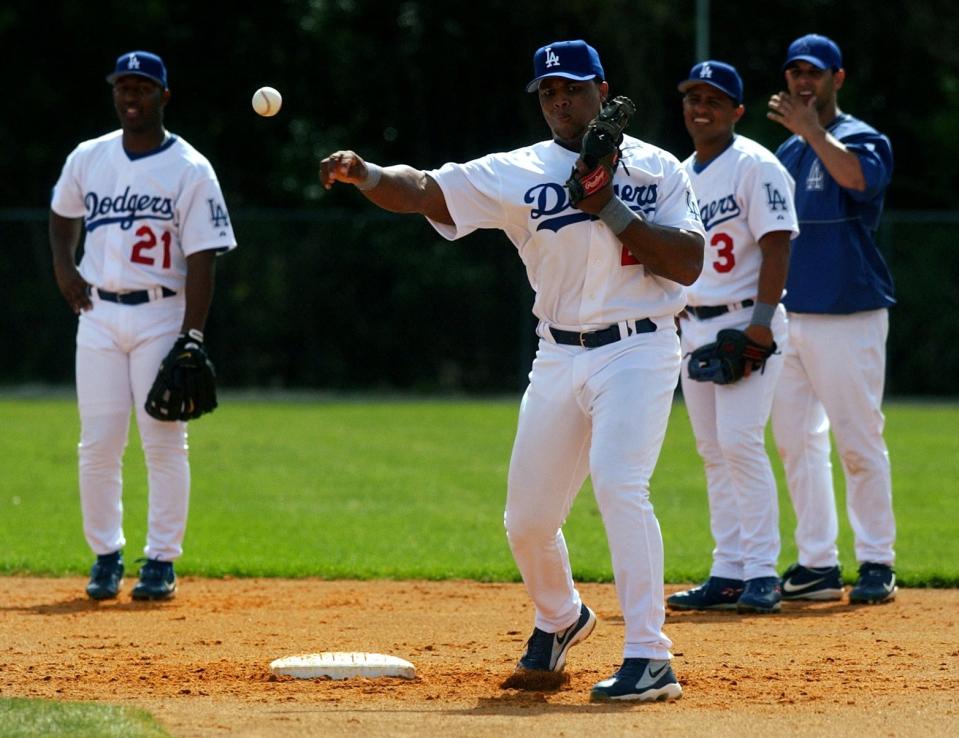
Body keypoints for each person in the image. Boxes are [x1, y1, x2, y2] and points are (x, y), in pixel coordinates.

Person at [320, 39, 704, 701]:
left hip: (639, 349)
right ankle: (560, 618)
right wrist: (366, 173)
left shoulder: (657, 168)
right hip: (556, 354)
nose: (560, 101)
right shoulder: (517, 170)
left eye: (573, 89)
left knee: (619, 484)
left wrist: (610, 206)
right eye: (549, 91)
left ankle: (650, 656)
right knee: (526, 520)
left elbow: (688, 263)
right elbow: (425, 191)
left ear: (600, 89)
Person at [50, 51, 237, 601]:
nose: (131, 97)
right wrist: (65, 268)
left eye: (143, 88)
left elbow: (204, 255)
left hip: (162, 312)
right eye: (123, 87)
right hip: (98, 314)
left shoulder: (190, 168)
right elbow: (62, 213)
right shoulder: (90, 156)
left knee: (163, 441)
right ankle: (105, 556)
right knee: (98, 444)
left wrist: (192, 334)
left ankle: (160, 560)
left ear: (164, 96)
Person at [767, 34, 896, 604]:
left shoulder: (859, 139)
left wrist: (813, 132)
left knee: (857, 441)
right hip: (789, 316)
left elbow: (860, 180)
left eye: (813, 73)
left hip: (849, 311)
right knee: (796, 443)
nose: (802, 82)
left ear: (836, 79)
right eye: (795, 72)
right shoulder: (785, 155)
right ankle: (817, 562)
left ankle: (877, 560)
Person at [668, 61, 798, 615]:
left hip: (747, 319)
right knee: (713, 451)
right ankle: (728, 570)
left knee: (740, 442)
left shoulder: (756, 165)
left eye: (714, 100)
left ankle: (763, 571)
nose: (701, 108)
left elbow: (776, 246)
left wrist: (762, 324)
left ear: (737, 111)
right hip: (692, 322)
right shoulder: (678, 172)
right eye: (693, 97)